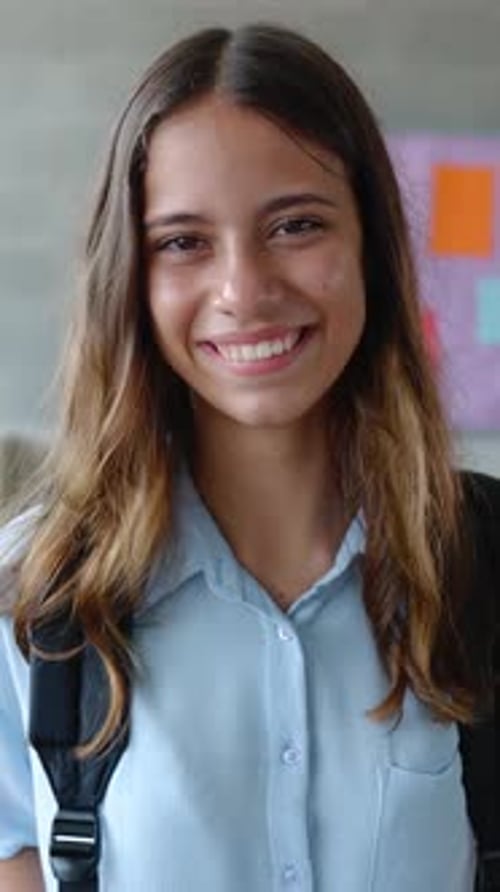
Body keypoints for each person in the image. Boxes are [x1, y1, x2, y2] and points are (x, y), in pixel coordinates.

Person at [0, 22, 498, 892]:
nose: (246, 292)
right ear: (131, 279)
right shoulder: (34, 592)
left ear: (372, 250)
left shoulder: (486, 562)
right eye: (184, 242)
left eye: (296, 225)